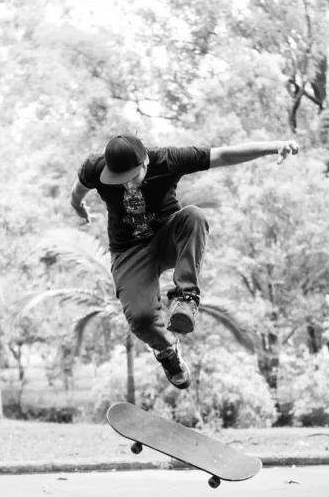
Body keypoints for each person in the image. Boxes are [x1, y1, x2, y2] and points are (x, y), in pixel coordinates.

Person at [71, 134, 299, 390]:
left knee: (194, 216)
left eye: (132, 177)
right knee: (141, 319)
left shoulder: (169, 159)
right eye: (119, 180)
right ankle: (167, 352)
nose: (127, 185)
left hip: (168, 236)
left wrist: (275, 146)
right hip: (128, 251)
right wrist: (78, 205)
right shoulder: (95, 168)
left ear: (145, 161)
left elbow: (223, 154)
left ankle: (185, 298)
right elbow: (78, 191)